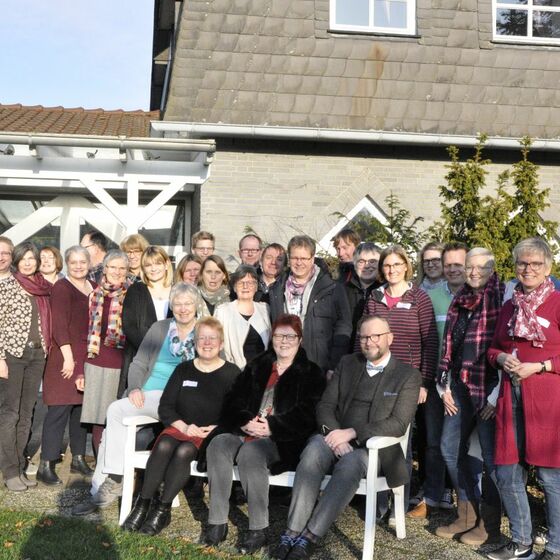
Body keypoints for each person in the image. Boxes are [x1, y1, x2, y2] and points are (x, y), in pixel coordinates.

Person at [271, 315, 421, 560]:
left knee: (351, 463)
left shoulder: (407, 375)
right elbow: (325, 406)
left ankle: (309, 537)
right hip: (334, 436)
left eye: (375, 336)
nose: (369, 341)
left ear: (389, 338)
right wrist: (333, 434)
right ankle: (292, 531)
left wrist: (351, 434)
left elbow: (398, 423)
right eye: (363, 337)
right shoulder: (348, 363)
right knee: (312, 451)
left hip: (378, 450)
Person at [72, 282, 202, 516]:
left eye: (188, 304)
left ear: (197, 305)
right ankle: (110, 480)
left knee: (113, 430)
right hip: (150, 395)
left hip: (181, 400)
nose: (183, 309)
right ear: (172, 306)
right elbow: (140, 362)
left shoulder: (204, 330)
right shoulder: (160, 328)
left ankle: (109, 483)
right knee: (115, 415)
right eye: (178, 304)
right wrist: (134, 388)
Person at [202, 314, 325, 554]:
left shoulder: (311, 373)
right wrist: (244, 420)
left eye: (290, 336)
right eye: (279, 335)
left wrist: (272, 426)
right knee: (218, 444)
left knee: (250, 452)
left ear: (300, 340)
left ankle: (258, 529)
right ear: (272, 339)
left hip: (281, 439)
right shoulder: (258, 365)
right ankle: (217, 522)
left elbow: (309, 414)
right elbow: (233, 398)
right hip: (245, 429)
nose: (284, 341)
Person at [122, 316, 240, 535]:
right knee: (165, 444)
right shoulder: (184, 369)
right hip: (179, 427)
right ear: (195, 343)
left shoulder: (232, 374)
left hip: (210, 434)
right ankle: (142, 504)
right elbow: (166, 406)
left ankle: (162, 509)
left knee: (185, 450)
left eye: (212, 338)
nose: (207, 343)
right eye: (202, 338)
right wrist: (183, 427)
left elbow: (237, 412)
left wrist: (215, 429)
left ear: (221, 344)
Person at [486, 238, 560, 560]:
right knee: (507, 471)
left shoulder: (557, 303)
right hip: (509, 396)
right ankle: (521, 543)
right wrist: (501, 359)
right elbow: (493, 349)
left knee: (549, 475)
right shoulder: (509, 306)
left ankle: (556, 547)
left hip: (546, 401)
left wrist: (541, 366)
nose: (528, 269)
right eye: (522, 263)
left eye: (535, 264)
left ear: (548, 268)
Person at [359, 244, 439, 517]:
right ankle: (379, 504)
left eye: (396, 265)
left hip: (407, 381)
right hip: (376, 378)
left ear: (406, 266)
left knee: (401, 443)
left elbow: (430, 342)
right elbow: (364, 336)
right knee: (376, 437)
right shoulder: (374, 297)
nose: (391, 270)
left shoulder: (419, 298)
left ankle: (399, 505)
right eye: (387, 266)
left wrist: (424, 382)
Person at [434, 248, 504, 545]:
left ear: (492, 268)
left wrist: (494, 397)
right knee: (449, 448)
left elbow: (507, 349)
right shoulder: (460, 298)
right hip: (460, 386)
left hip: (489, 388)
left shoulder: (502, 298)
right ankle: (466, 513)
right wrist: (445, 386)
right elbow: (451, 345)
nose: (474, 272)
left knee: (491, 458)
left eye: (481, 267)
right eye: (470, 267)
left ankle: (489, 524)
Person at [408, 241, 468, 519]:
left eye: (457, 264)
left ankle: (468, 503)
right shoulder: (428, 294)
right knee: (433, 441)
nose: (451, 269)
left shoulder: (472, 294)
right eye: (449, 264)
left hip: (465, 380)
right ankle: (433, 496)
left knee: (459, 444)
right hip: (435, 377)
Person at [38, 246, 95, 485]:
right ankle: (46, 464)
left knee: (80, 410)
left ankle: (78, 458)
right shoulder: (62, 287)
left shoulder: (93, 286)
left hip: (87, 355)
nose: (79, 266)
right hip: (65, 355)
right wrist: (69, 358)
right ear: (67, 264)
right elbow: (59, 325)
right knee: (59, 410)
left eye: (83, 262)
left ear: (89, 263)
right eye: (74, 262)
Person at [0, 241, 52, 492]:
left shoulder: (42, 287)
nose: (29, 262)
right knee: (10, 413)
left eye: (33, 258)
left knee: (27, 413)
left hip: (37, 355)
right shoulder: (7, 285)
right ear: (17, 261)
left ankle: (19, 466)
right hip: (12, 355)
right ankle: (9, 471)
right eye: (24, 258)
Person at [268, 235, 352, 375]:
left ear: (312, 259)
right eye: (295, 258)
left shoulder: (333, 289)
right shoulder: (276, 289)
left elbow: (344, 327)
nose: (299, 263)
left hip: (319, 366)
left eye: (304, 258)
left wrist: (333, 365)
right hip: (284, 365)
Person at [77, 249, 132, 455]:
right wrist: (80, 369)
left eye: (122, 268)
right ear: (105, 268)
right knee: (97, 418)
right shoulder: (94, 295)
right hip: (94, 360)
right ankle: (101, 463)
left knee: (114, 416)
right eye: (113, 267)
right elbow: (85, 332)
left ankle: (113, 461)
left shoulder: (133, 295)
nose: (117, 271)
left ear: (127, 271)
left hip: (119, 363)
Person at [120, 246, 173, 396]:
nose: (153, 268)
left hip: (172, 360)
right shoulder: (136, 290)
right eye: (148, 265)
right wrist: (152, 350)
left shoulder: (177, 290)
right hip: (141, 357)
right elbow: (129, 326)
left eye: (157, 263)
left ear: (166, 264)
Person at [214, 265, 271, 369]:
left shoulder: (265, 309)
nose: (245, 286)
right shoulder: (222, 311)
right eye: (241, 283)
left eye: (250, 283)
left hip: (262, 372)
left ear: (256, 286)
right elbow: (216, 345)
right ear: (235, 287)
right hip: (233, 372)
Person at [343, 242, 382, 348]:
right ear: (354, 265)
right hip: (346, 351)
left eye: (372, 261)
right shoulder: (342, 290)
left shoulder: (386, 290)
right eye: (361, 261)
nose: (367, 266)